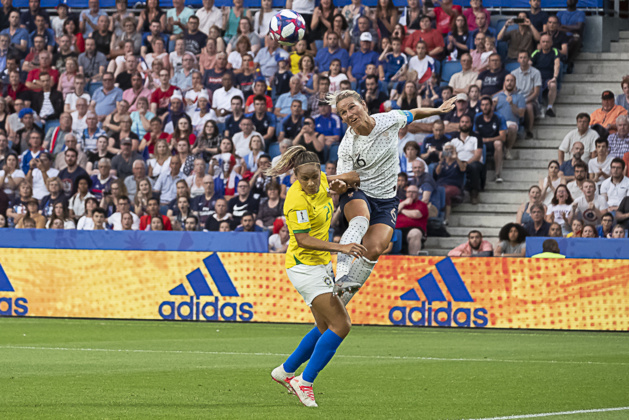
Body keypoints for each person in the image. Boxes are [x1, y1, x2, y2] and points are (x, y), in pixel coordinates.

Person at [326, 90, 456, 300]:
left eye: (352, 107)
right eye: (343, 112)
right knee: (359, 222)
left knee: (375, 248)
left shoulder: (388, 119)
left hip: (386, 199)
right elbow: (346, 179)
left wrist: (437, 110)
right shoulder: (347, 145)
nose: (349, 114)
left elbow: (414, 112)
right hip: (358, 191)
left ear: (364, 105)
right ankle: (341, 275)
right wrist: (336, 184)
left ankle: (341, 299)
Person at [267, 145, 365, 408]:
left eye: (315, 176)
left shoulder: (321, 179)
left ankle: (285, 371)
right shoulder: (296, 199)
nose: (311, 183)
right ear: (295, 177)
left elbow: (353, 176)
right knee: (341, 325)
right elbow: (303, 239)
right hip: (304, 267)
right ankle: (305, 381)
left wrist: (342, 185)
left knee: (325, 327)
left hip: (320, 265)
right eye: (305, 178)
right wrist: (342, 247)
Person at [474, 96, 507, 183]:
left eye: (487, 105)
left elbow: (503, 137)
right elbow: (474, 134)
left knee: (498, 144)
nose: (484, 107)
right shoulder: (477, 117)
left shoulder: (499, 117)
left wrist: (488, 139)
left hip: (493, 142)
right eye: (483, 105)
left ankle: (498, 174)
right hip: (481, 142)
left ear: (492, 106)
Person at [395, 184, 428, 255]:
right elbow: (394, 212)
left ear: (418, 194)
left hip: (413, 229)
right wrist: (403, 203)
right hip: (396, 229)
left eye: (413, 192)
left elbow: (416, 214)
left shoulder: (421, 204)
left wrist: (402, 210)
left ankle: (413, 259)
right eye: (409, 192)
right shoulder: (400, 203)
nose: (411, 194)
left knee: (415, 234)